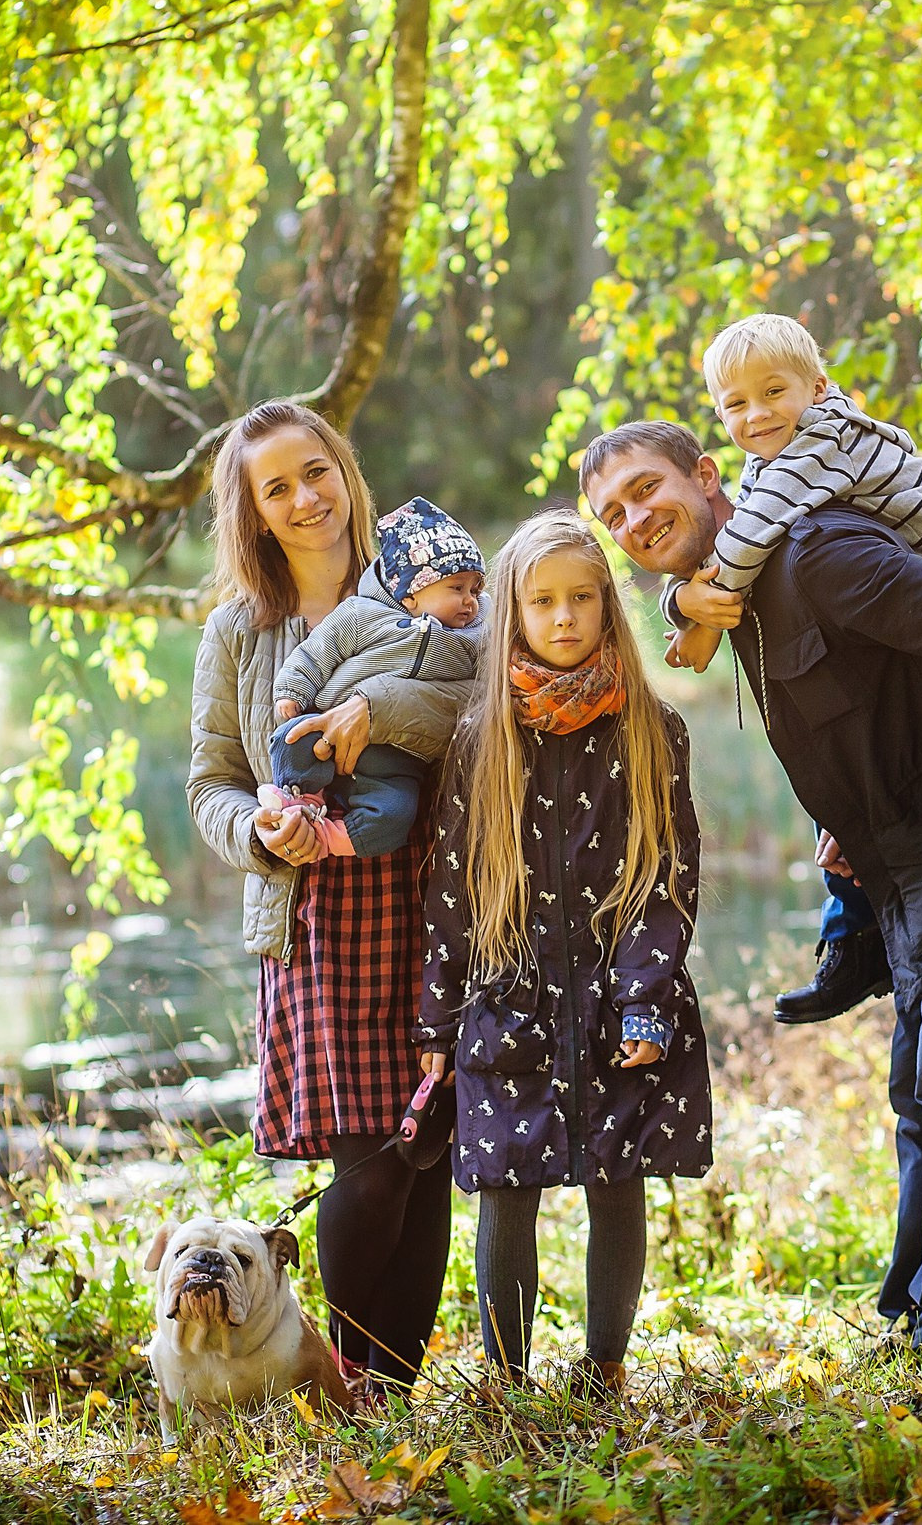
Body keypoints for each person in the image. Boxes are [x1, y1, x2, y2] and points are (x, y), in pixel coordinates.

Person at [580, 420, 922, 1358]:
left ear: (707, 475)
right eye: (614, 512)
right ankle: (913, 1310)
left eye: (648, 489)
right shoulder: (730, 598)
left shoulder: (818, 551)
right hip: (892, 871)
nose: (636, 517)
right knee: (917, 1090)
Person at [664, 315, 922, 1028]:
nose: (757, 414)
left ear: (818, 389)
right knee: (840, 742)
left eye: (774, 392)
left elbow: (750, 536)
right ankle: (853, 938)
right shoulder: (775, 461)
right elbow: (759, 522)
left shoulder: (819, 444)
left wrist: (691, 611)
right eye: (735, 404)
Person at [186, 402, 466, 1402]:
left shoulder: (417, 592)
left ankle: (391, 1394)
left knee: (424, 1149)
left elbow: (472, 706)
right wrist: (257, 833)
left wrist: (377, 708)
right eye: (277, 488)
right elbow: (210, 781)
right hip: (310, 915)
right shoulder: (237, 631)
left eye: (317, 472)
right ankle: (351, 1395)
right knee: (368, 1161)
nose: (306, 498)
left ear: (345, 473)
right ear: (253, 513)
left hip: (429, 896)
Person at [414, 511, 712, 1396]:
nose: (565, 616)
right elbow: (450, 891)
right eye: (543, 601)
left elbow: (668, 878)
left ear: (607, 606)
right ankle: (505, 1379)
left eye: (583, 597)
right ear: (514, 610)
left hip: (624, 995)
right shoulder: (482, 737)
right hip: (508, 996)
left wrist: (646, 999)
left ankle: (604, 1364)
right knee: (506, 1183)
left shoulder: (651, 729)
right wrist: (436, 1014)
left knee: (618, 1177)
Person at [265, 496, 486, 858]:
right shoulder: (361, 615)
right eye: (457, 588)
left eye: (475, 590)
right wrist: (292, 689)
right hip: (329, 729)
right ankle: (295, 794)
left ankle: (331, 839)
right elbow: (317, 650)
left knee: (397, 813)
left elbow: (485, 692)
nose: (470, 601)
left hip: (398, 759)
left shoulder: (474, 636)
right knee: (293, 738)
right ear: (411, 595)